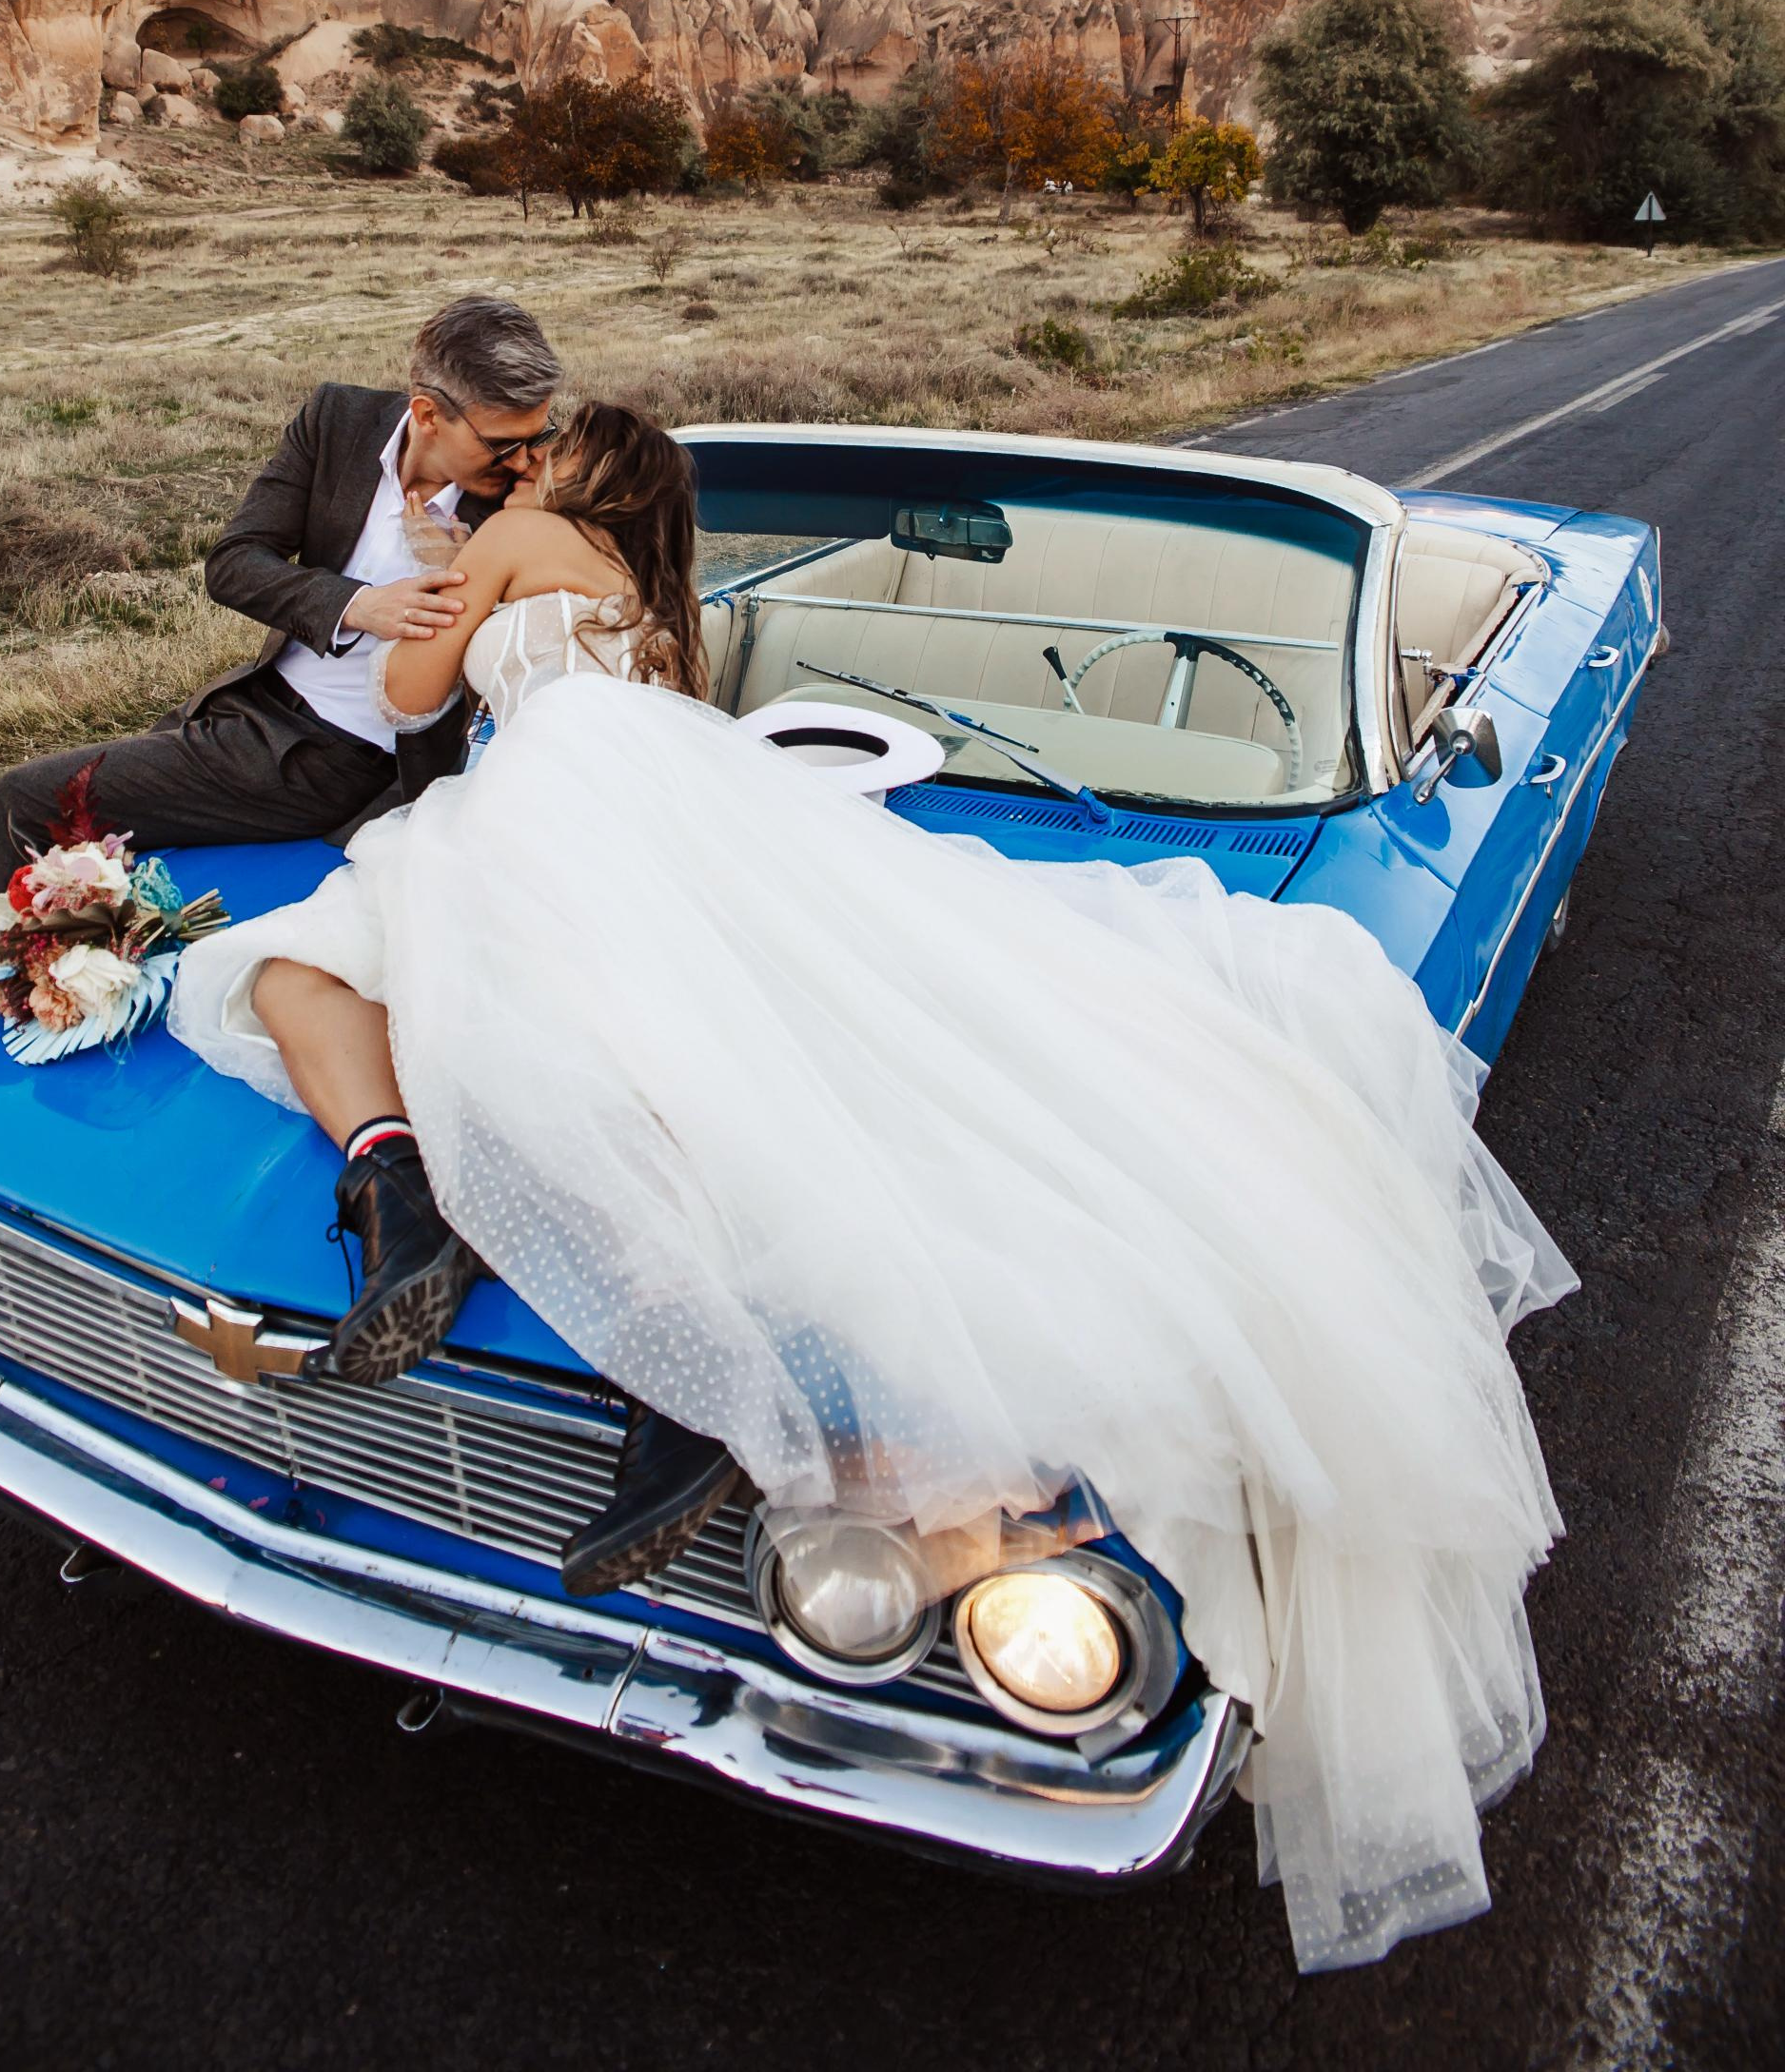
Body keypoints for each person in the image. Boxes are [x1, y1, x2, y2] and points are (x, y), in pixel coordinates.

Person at [167, 401, 1575, 1977]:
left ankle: (515, 1263)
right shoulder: (661, 613)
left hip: (534, 819)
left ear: (574, 473)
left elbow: (416, 693)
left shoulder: (508, 537)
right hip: (648, 822)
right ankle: (691, 1353)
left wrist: (435, 574)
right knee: (701, 1058)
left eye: (542, 454)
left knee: (465, 1026)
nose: (523, 465)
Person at [0, 293, 561, 893]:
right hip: (250, 702)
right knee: (96, 860)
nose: (526, 459)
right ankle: (44, 973)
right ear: (427, 413)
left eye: (539, 432)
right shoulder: (339, 420)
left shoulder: (528, 500)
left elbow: (541, 640)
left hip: (335, 757)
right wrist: (359, 604)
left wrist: (467, 565)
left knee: (27, 800)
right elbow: (234, 563)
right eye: (502, 443)